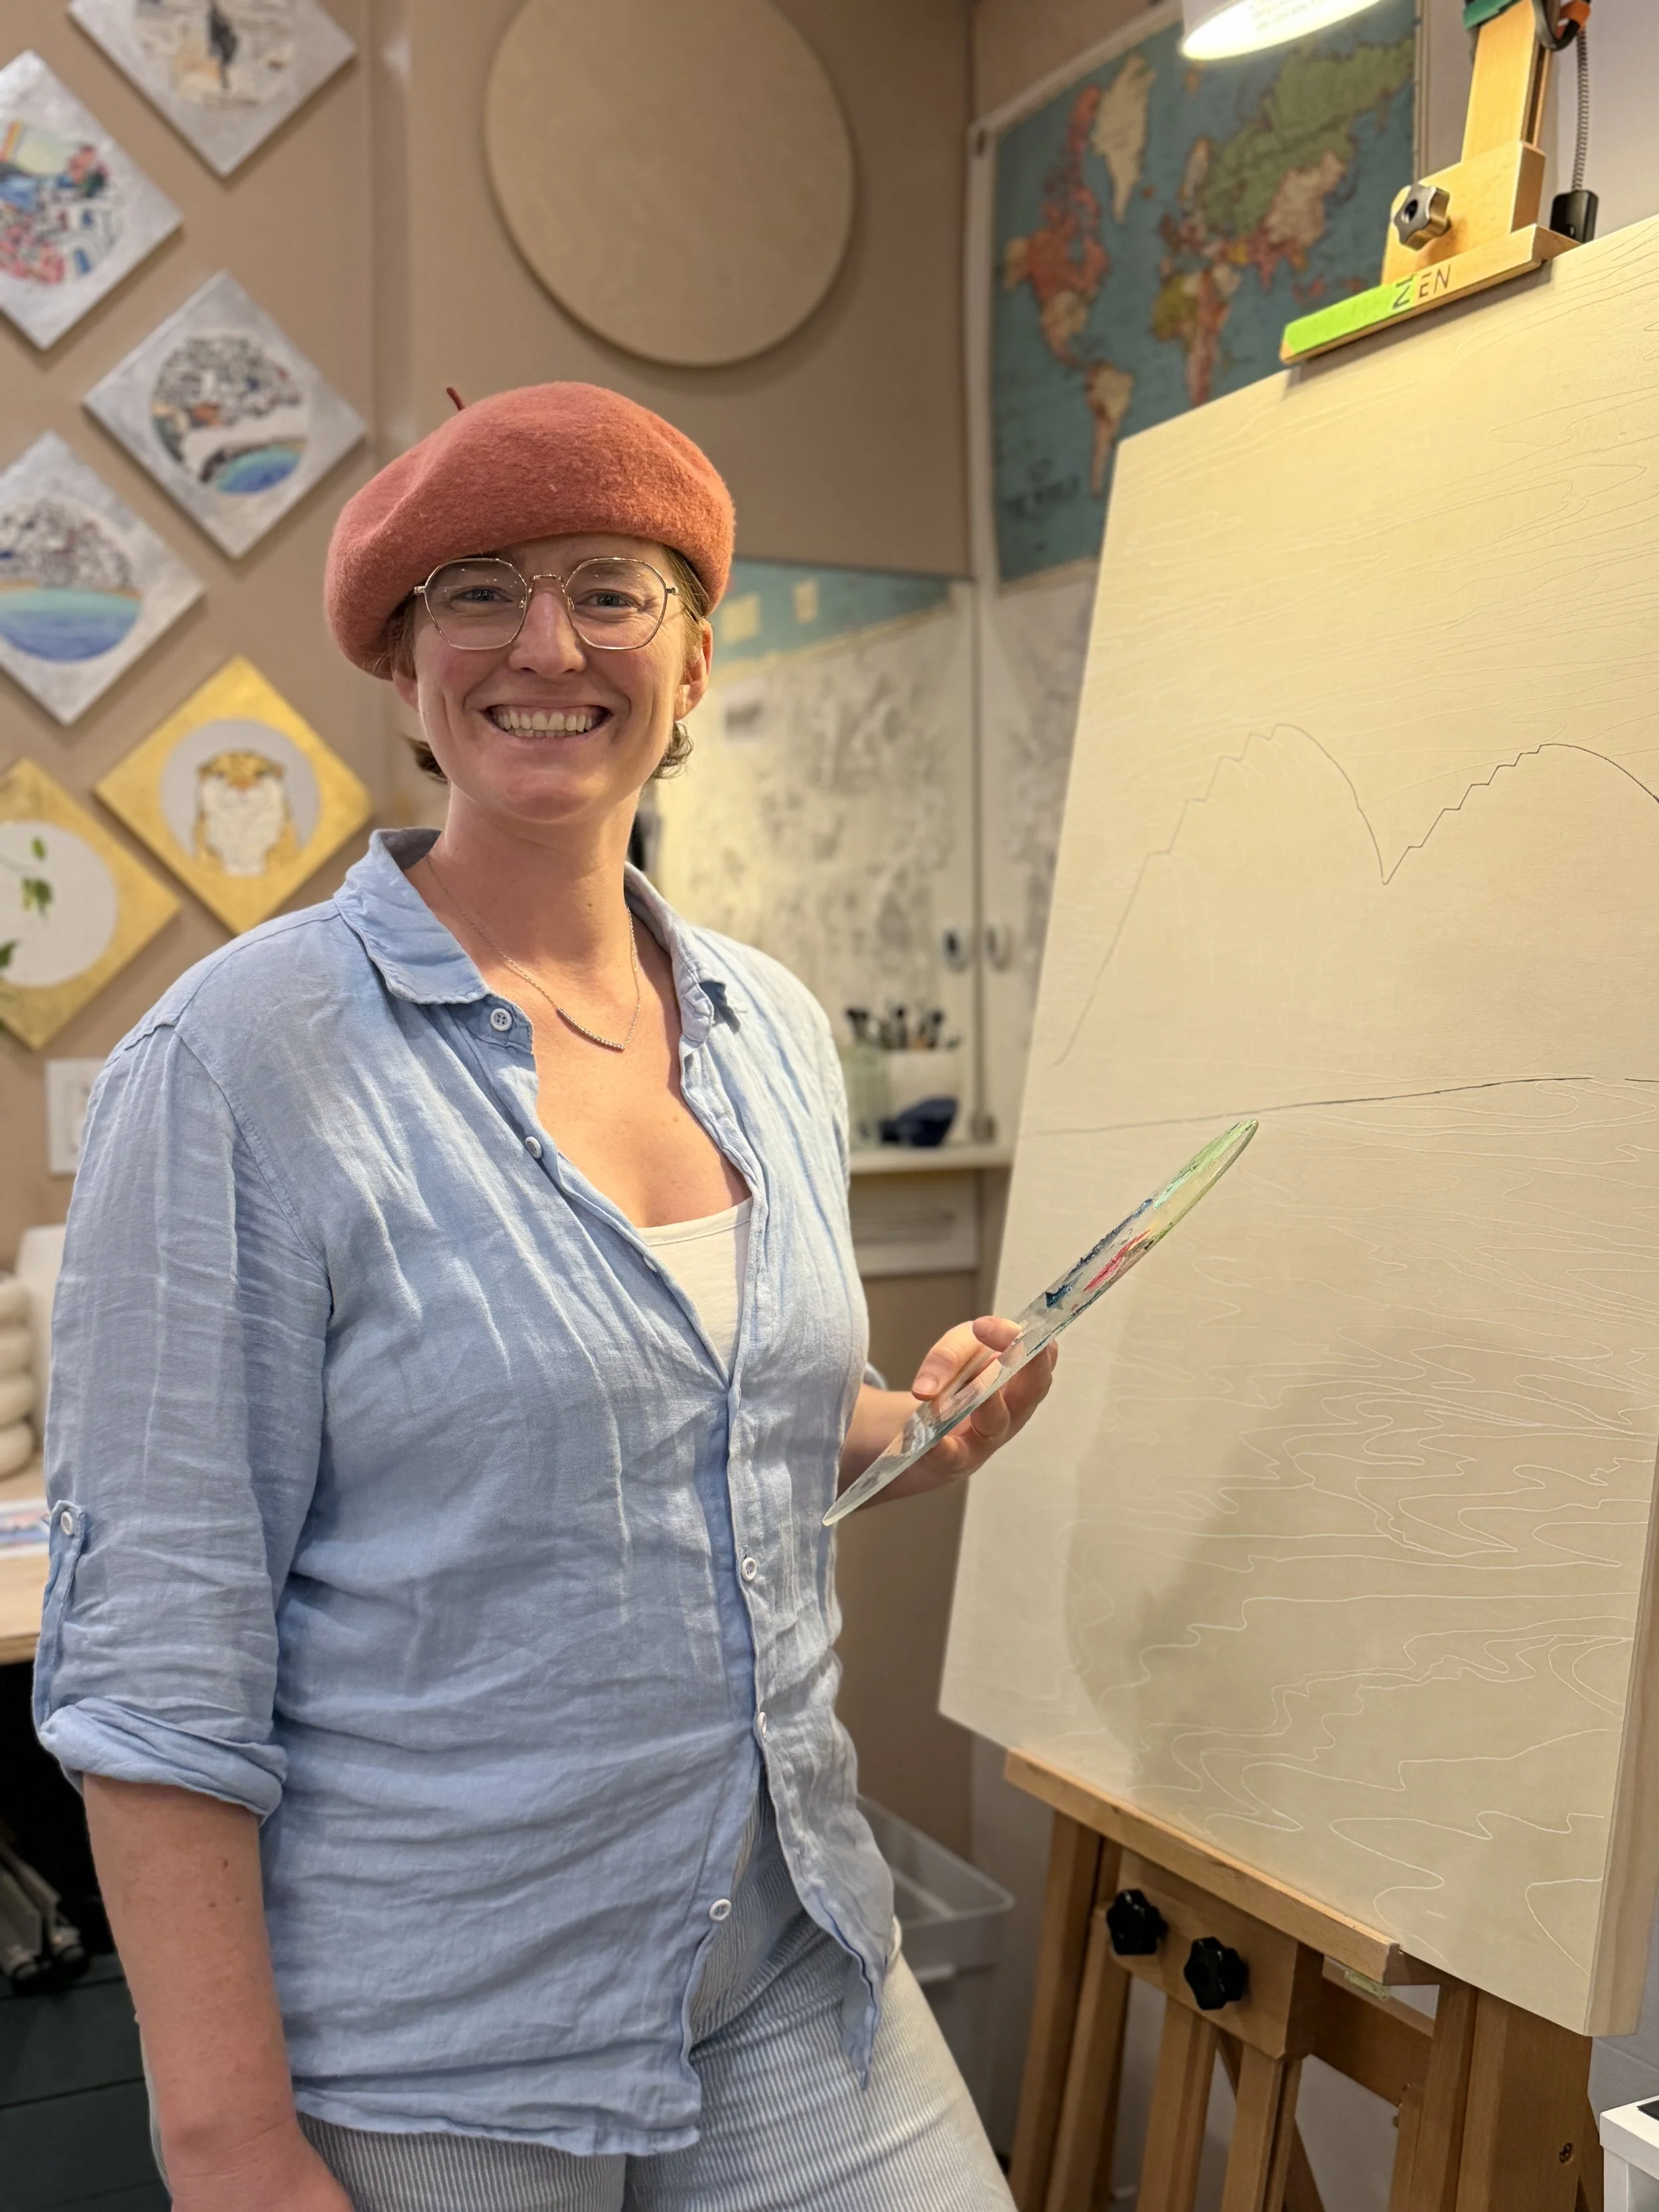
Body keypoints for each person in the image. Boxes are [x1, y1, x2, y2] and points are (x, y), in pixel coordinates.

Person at [34, 383, 1055, 2212]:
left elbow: (739, 1415)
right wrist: (233, 2150)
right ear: (406, 669)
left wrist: (924, 1419)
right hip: (442, 2036)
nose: (547, 643)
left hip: (797, 1956)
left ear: (691, 657)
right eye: (477, 593)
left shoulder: (767, 1030)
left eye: (611, 588)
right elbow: (163, 1664)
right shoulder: (243, 1061)